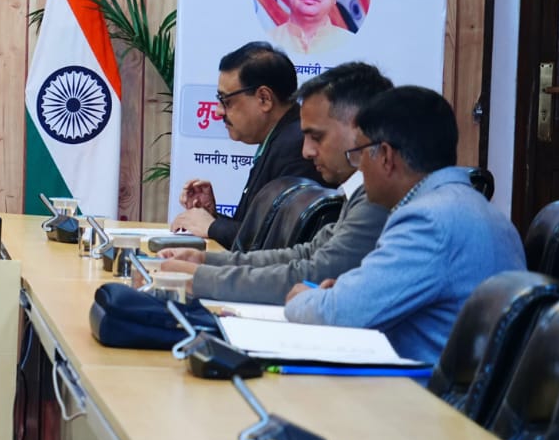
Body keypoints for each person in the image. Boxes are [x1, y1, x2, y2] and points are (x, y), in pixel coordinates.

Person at [285, 86, 525, 364]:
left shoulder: (428, 221)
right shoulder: (468, 206)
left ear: (386, 157)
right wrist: (344, 292)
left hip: (421, 387)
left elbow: (340, 314)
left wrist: (302, 298)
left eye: (360, 154)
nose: (359, 167)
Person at [154, 62, 393, 304]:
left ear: (360, 129)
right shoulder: (361, 192)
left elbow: (314, 273)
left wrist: (202, 278)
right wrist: (205, 261)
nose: (307, 151)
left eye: (317, 137)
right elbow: (307, 254)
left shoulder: (379, 199)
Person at [170, 41, 321, 246]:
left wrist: (213, 226)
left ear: (264, 99)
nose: (218, 111)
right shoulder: (278, 138)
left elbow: (278, 243)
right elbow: (254, 231)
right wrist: (212, 216)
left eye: (226, 101)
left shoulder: (297, 146)